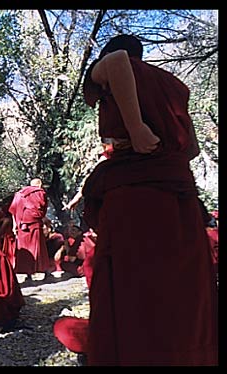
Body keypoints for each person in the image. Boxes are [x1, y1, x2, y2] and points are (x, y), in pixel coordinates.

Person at [79, 34, 217, 365]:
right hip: (177, 191)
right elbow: (193, 149)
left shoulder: (114, 64)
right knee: (180, 282)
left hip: (135, 195)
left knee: (135, 282)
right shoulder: (173, 84)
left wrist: (136, 127)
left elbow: (116, 62)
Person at [8, 177, 50, 282]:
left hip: (22, 225)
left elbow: (13, 210)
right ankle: (41, 270)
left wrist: (14, 225)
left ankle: (26, 272)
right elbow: (42, 210)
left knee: (24, 248)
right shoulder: (41, 193)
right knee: (37, 247)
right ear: (40, 185)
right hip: (34, 224)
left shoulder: (19, 194)